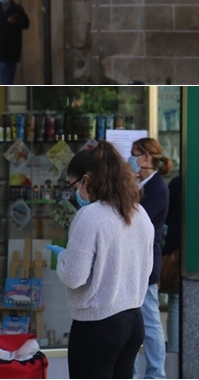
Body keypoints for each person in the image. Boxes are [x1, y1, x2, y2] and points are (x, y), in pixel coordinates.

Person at [49, 141, 153, 379]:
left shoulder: (90, 216)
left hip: (98, 325)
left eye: (74, 185)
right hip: (133, 321)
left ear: (86, 180)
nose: (75, 192)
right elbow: (145, 269)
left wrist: (63, 257)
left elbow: (74, 277)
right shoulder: (138, 211)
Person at [130, 138, 171, 379]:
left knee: (151, 322)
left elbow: (136, 219)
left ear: (146, 157)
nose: (131, 158)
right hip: (135, 261)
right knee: (135, 321)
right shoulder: (140, 184)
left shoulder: (157, 188)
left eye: (134, 154)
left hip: (146, 262)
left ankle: (156, 374)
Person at [161, 175, 182, 355]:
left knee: (175, 302)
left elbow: (167, 218)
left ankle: (175, 350)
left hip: (175, 247)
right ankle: (179, 349)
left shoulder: (176, 183)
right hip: (196, 250)